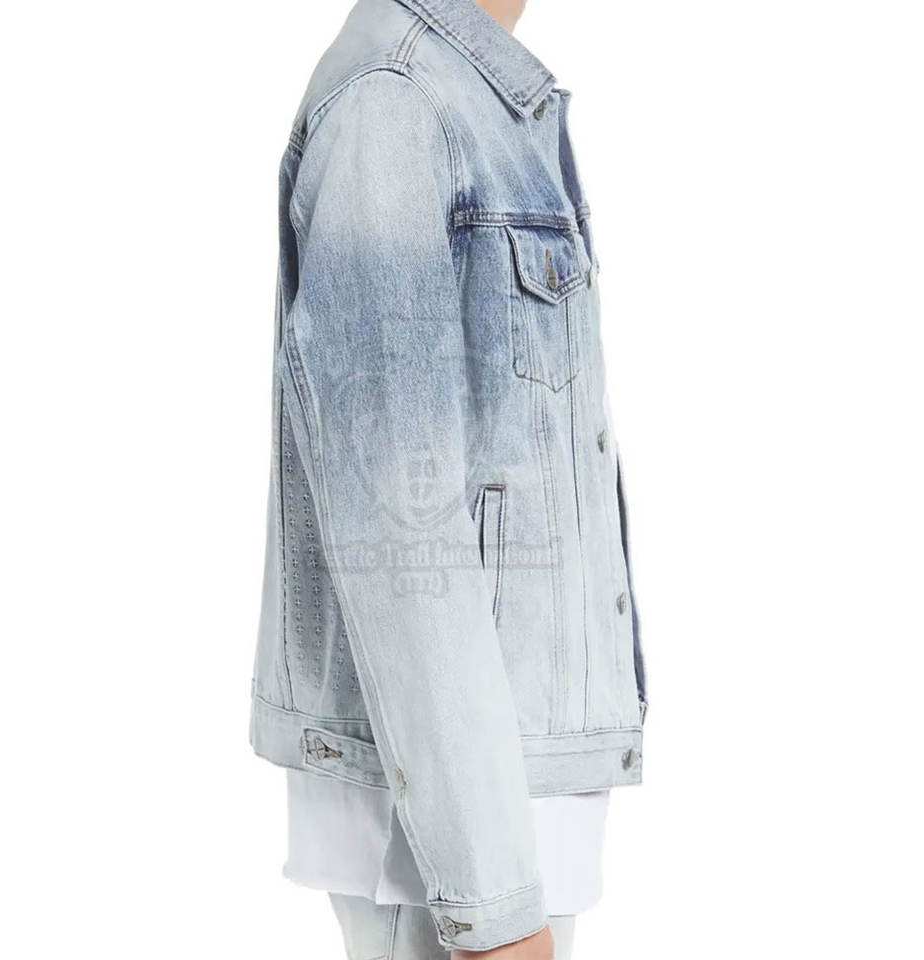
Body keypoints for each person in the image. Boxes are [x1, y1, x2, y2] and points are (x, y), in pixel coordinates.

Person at [250, 0, 647, 956]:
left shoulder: (472, 102)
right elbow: (400, 530)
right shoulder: (395, 105)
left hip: (501, 811)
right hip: (443, 841)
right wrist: (493, 906)